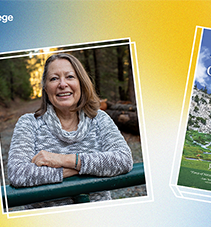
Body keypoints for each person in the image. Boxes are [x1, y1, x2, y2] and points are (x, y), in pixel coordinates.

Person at [7, 53, 133, 202]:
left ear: (81, 83)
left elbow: (124, 159)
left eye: (70, 77)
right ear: (46, 88)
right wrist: (80, 169)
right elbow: (18, 173)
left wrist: (61, 159)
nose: (62, 84)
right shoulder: (29, 123)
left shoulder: (99, 119)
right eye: (54, 78)